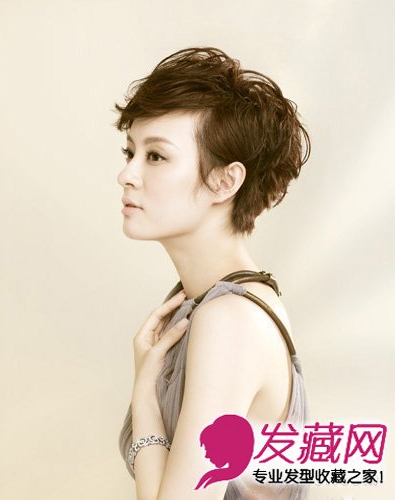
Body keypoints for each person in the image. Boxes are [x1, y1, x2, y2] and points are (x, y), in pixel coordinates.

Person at [114, 47, 311, 499]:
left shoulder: (232, 320)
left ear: (225, 181)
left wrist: (145, 395)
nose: (126, 174)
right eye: (130, 152)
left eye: (156, 156)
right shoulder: (205, 304)